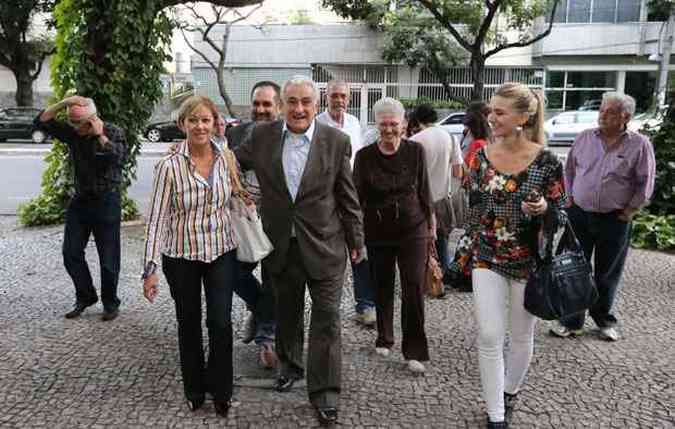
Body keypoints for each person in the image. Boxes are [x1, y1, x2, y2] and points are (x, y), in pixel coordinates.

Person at [234, 76, 365, 426]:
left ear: (316, 104)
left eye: (306, 102)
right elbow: (230, 162)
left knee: (327, 319)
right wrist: (193, 150)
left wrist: (357, 242)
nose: (299, 109)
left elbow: (348, 197)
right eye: (292, 101)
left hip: (326, 245)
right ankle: (290, 366)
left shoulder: (336, 141)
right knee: (288, 314)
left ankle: (325, 393)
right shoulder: (261, 137)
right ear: (282, 105)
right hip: (281, 245)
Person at [450, 83, 567, 428]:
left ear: (523, 117)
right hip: (487, 257)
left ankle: (509, 391)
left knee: (520, 337)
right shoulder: (481, 156)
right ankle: (496, 416)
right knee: (488, 335)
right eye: (490, 110)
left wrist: (545, 207)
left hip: (528, 262)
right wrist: (464, 251)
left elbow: (562, 212)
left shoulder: (547, 161)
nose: (491, 117)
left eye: (500, 112)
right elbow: (472, 208)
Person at [142, 95, 237, 418]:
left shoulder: (225, 157)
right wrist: (150, 268)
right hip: (181, 256)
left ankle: (222, 389)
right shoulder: (168, 167)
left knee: (221, 322)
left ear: (214, 124)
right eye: (193, 120)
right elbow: (156, 218)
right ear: (183, 124)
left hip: (222, 251)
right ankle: (195, 389)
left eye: (206, 120)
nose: (200, 126)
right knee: (189, 323)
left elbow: (236, 198)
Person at [550, 92, 655, 342]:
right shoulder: (585, 138)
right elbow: (570, 168)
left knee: (607, 273)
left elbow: (645, 182)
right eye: (602, 110)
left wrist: (630, 210)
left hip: (615, 219)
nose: (602, 115)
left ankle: (603, 320)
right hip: (580, 215)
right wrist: (570, 198)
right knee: (574, 270)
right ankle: (571, 322)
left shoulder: (639, 144)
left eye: (609, 111)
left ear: (625, 116)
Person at [353, 97, 433, 374]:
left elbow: (424, 189)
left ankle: (414, 350)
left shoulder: (416, 151)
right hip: (377, 230)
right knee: (382, 286)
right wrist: (356, 236)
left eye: (394, 124)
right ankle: (384, 336)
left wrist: (431, 225)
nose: (388, 130)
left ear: (404, 124)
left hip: (413, 229)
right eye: (383, 124)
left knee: (413, 287)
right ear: (376, 124)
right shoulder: (364, 157)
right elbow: (356, 198)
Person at [34, 95, 126, 321]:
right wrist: (65, 103)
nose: (75, 128)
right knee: (71, 253)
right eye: (72, 123)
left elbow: (119, 158)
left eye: (79, 124)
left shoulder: (113, 132)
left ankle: (110, 303)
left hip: (107, 200)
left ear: (92, 120)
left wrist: (100, 136)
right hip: (80, 201)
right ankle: (86, 296)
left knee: (108, 258)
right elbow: (42, 121)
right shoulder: (74, 133)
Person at [225, 81, 281, 369]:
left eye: (267, 104)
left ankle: (266, 340)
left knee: (273, 280)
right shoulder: (236, 132)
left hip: (276, 220)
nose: (261, 110)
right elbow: (226, 165)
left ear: (278, 107)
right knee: (233, 273)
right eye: (257, 104)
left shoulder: (287, 134)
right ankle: (259, 310)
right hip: (244, 219)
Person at [316, 79, 376, 326]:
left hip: (353, 195)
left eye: (343, 96)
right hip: (326, 196)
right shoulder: (317, 122)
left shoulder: (353, 122)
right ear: (326, 97)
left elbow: (359, 155)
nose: (339, 100)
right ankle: (328, 306)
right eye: (334, 96)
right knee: (328, 252)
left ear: (349, 99)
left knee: (359, 248)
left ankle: (365, 305)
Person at [409, 104, 463, 295]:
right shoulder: (450, 137)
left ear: (417, 120)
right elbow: (458, 171)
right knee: (442, 239)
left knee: (418, 241)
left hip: (419, 199)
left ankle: (421, 277)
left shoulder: (415, 140)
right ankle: (443, 276)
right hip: (442, 197)